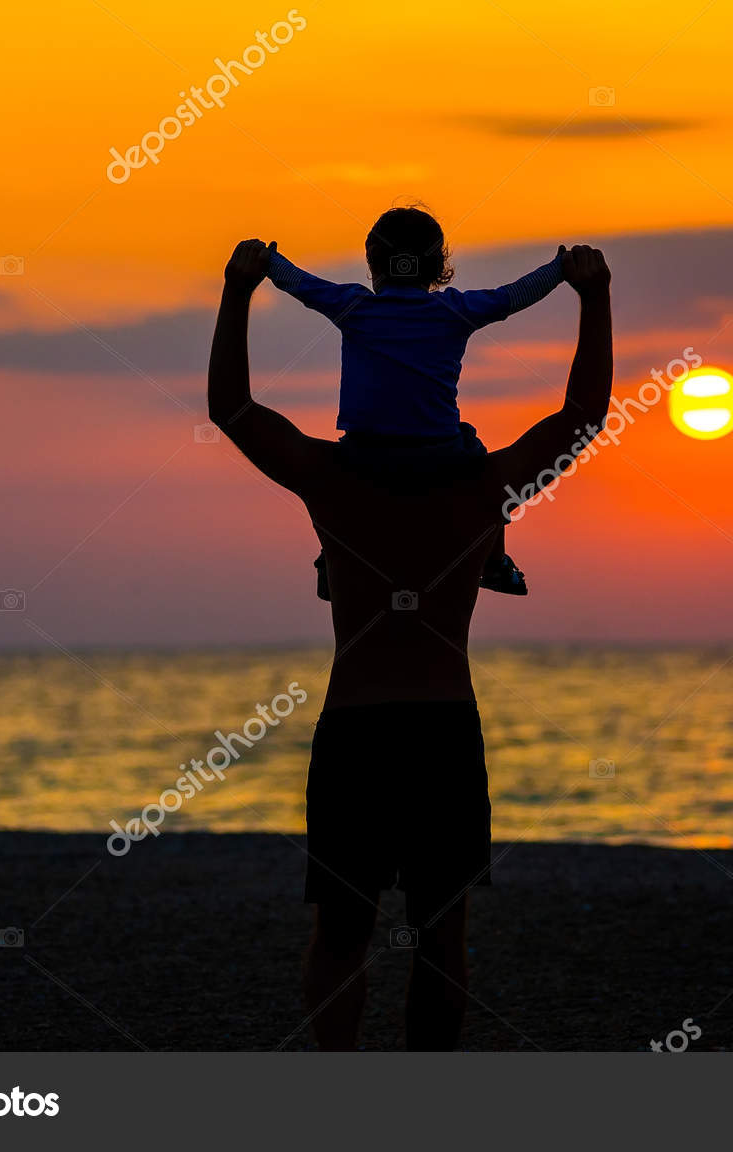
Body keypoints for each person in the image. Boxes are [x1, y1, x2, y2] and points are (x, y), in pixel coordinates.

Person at [207, 237, 612, 1051]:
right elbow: (582, 417)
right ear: (441, 278)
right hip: (440, 734)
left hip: (357, 732)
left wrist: (239, 286)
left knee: (342, 934)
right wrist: (591, 292)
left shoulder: (335, 480)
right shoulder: (481, 485)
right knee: (440, 937)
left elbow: (234, 410)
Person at [248, 206, 568, 600]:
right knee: (481, 459)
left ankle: (329, 557)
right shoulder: (454, 310)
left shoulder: (355, 306)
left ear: (373, 264)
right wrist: (560, 269)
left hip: (364, 452)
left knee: (330, 482)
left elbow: (301, 285)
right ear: (438, 268)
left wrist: (268, 260)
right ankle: (495, 561)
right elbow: (513, 297)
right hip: (441, 453)